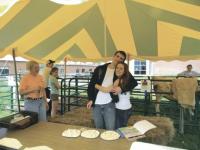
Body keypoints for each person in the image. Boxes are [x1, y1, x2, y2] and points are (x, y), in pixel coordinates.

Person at [87, 50, 138, 130]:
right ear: (113, 56)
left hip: (110, 104)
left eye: (121, 58)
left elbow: (134, 83)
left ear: (122, 61)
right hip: (96, 104)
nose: (118, 59)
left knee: (110, 129)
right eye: (117, 56)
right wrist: (90, 99)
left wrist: (121, 88)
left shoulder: (120, 71)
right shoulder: (100, 69)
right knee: (99, 128)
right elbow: (91, 84)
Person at [95, 62, 137, 129]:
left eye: (121, 68)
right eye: (117, 68)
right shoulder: (127, 79)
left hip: (121, 109)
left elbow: (108, 90)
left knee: (118, 131)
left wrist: (95, 85)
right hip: (126, 108)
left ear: (125, 70)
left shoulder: (119, 80)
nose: (118, 70)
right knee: (121, 129)